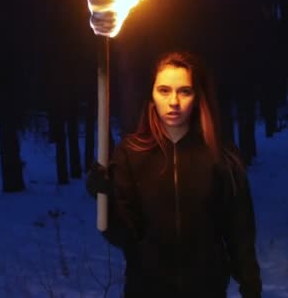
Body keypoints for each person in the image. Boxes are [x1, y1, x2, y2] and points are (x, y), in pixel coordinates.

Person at [86, 49, 262, 297]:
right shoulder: (130, 154)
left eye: (184, 91)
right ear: (152, 95)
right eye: (164, 90)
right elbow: (124, 234)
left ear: (197, 96)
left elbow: (239, 228)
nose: (174, 102)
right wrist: (107, 197)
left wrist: (250, 282)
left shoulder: (220, 157)